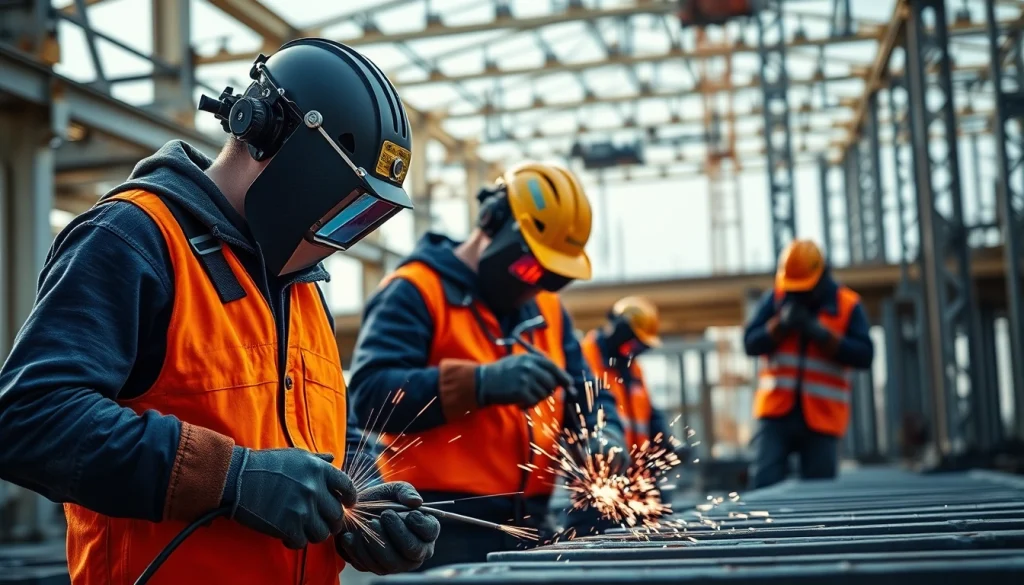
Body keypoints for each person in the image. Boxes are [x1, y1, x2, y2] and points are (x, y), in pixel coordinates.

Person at [0, 40, 440, 585]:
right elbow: (29, 418)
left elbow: (320, 435)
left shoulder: (301, 286)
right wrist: (231, 479)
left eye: (361, 219)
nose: (338, 238)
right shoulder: (134, 239)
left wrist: (367, 500)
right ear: (271, 141)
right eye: (343, 205)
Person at [347, 162, 628, 569]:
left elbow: (585, 390)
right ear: (492, 222)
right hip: (437, 528)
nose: (536, 286)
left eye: (551, 278)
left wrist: (604, 432)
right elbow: (371, 397)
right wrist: (479, 384)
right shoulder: (416, 291)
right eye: (530, 268)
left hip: (530, 523)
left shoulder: (547, 310)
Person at [742, 239, 874, 489]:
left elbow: (864, 355)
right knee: (763, 486)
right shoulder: (777, 299)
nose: (797, 294)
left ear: (821, 277)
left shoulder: (847, 305)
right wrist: (779, 326)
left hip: (822, 418)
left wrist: (823, 335)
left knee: (818, 494)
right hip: (776, 413)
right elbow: (750, 342)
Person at [580, 296, 673, 450]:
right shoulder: (585, 358)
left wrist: (663, 437)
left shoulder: (634, 370)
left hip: (633, 467)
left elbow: (647, 412)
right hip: (598, 460)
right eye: (634, 343)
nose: (634, 350)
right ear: (621, 331)